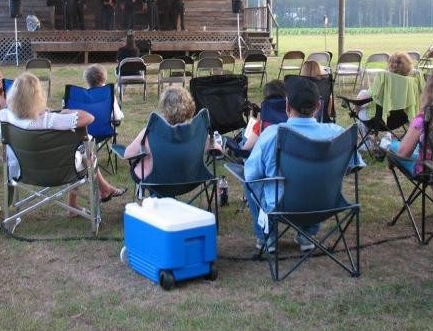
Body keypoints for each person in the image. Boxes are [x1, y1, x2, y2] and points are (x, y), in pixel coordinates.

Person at [244, 77, 345, 253]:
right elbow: (353, 166)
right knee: (316, 180)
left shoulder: (272, 134)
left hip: (282, 207)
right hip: (325, 204)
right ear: (318, 107)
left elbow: (251, 175)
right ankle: (307, 234)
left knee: (250, 183)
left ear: (286, 106)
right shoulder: (337, 134)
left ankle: (267, 236)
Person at [0, 72, 126, 207]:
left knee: (80, 153)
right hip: (60, 171)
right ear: (37, 97)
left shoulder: (4, 116)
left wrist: (39, 112)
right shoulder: (49, 120)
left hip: (21, 170)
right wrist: (67, 112)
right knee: (82, 152)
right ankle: (90, 197)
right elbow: (89, 118)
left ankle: (100, 192)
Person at [386, 71, 433, 213]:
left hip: (431, 169)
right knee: (432, 156)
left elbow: (403, 153)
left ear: (428, 92)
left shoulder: (424, 119)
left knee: (392, 147)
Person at [123, 87, 220, 181]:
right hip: (190, 180)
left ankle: (157, 196)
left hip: (156, 180)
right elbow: (217, 149)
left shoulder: (150, 132)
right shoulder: (198, 133)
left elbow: (128, 154)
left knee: (140, 162)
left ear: (164, 107)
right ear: (190, 106)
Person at [227, 80, 286, 157]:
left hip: (261, 157)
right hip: (284, 158)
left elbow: (245, 150)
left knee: (246, 132)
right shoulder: (291, 118)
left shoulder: (264, 123)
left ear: (266, 99)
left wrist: (238, 151)